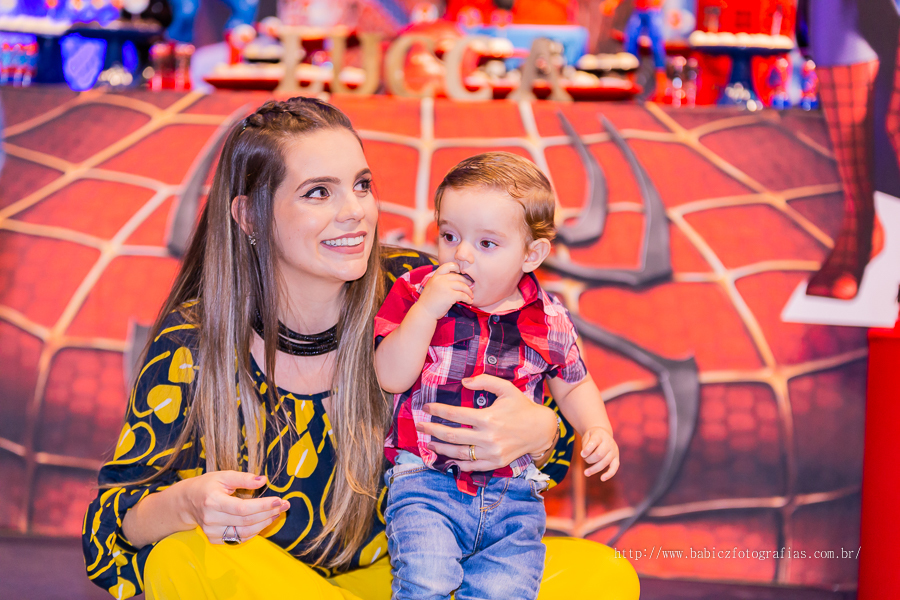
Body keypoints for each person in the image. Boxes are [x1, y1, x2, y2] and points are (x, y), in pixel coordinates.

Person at [81, 97, 640, 600]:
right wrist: (186, 504)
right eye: (319, 192)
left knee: (601, 575)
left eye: (362, 185)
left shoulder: (420, 290)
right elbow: (112, 524)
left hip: (405, 579)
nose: (356, 210)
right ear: (249, 215)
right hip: (268, 586)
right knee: (185, 556)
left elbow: (551, 430)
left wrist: (542, 432)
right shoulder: (193, 339)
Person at [373, 152, 620, 600]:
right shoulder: (416, 292)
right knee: (426, 580)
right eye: (449, 235)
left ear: (531, 254)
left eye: (487, 244)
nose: (461, 254)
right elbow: (390, 376)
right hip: (426, 481)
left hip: (514, 495)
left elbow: (575, 383)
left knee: (506, 589)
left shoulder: (548, 319)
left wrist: (597, 428)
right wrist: (426, 312)